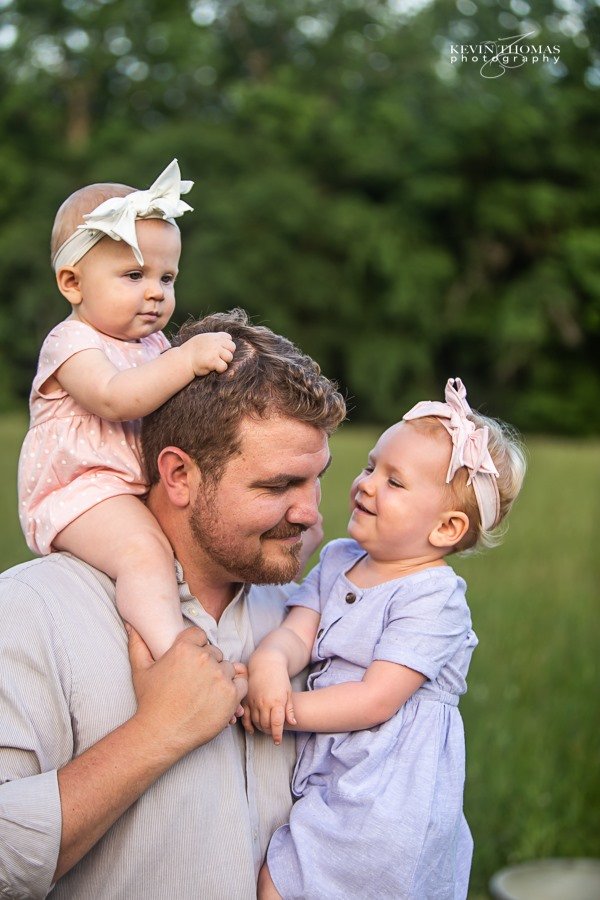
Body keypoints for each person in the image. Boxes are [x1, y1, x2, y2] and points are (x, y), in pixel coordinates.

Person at [0, 308, 346, 898]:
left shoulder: (306, 618)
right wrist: (156, 733)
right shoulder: (32, 612)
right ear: (179, 475)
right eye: (278, 486)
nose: (310, 512)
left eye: (316, 480)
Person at [243, 378, 526, 900]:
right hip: (333, 781)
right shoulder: (338, 559)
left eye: (395, 482)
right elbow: (295, 633)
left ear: (445, 528)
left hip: (388, 803)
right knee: (279, 879)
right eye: (372, 466)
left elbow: (376, 699)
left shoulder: (434, 598)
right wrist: (268, 665)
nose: (366, 484)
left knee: (282, 885)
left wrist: (283, 709)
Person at [18, 159, 236, 659]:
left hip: (132, 485)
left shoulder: (154, 345)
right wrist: (186, 360)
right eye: (134, 275)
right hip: (80, 490)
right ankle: (174, 654)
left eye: (167, 276)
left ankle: (210, 632)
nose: (156, 292)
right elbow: (117, 398)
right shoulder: (71, 343)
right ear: (72, 283)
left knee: (198, 543)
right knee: (144, 554)